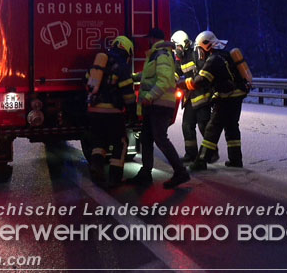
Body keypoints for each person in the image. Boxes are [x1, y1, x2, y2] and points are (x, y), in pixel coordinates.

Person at [128, 28, 190, 189]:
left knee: (160, 138)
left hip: (159, 105)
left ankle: (180, 172)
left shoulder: (161, 54)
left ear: (153, 39)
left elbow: (163, 81)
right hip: (154, 105)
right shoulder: (157, 55)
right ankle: (145, 173)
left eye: (149, 38)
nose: (148, 41)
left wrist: (149, 97)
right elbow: (150, 76)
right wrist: (133, 77)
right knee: (146, 138)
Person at [179, 31, 248, 170]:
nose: (199, 53)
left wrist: (183, 83)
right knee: (232, 128)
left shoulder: (213, 60)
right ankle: (236, 160)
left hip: (226, 98)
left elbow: (201, 80)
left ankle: (201, 160)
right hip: (237, 96)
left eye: (199, 49)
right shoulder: (225, 55)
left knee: (212, 129)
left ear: (206, 46)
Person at [86, 36, 137, 188]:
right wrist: (132, 112)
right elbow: (127, 93)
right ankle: (115, 177)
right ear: (126, 50)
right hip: (112, 112)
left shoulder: (99, 63)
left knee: (99, 141)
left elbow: (87, 80)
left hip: (93, 110)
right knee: (120, 143)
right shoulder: (122, 65)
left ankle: (97, 167)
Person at [171, 30, 212, 162]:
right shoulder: (181, 59)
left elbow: (203, 73)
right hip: (190, 97)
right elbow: (176, 73)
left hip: (202, 96)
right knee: (187, 125)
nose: (175, 51)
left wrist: (187, 83)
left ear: (183, 44)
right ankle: (191, 154)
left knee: (203, 126)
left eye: (176, 47)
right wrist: (169, 83)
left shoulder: (196, 53)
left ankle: (210, 153)